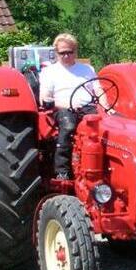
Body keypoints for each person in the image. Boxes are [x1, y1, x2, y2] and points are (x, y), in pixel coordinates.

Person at [39, 33, 97, 179]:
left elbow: (99, 89)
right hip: (61, 107)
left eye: (69, 52)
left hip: (87, 107)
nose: (66, 56)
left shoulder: (87, 70)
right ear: (56, 53)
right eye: (62, 53)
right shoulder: (49, 71)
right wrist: (68, 105)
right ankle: (62, 171)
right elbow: (45, 98)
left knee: (106, 125)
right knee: (69, 125)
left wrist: (109, 109)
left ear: (75, 51)